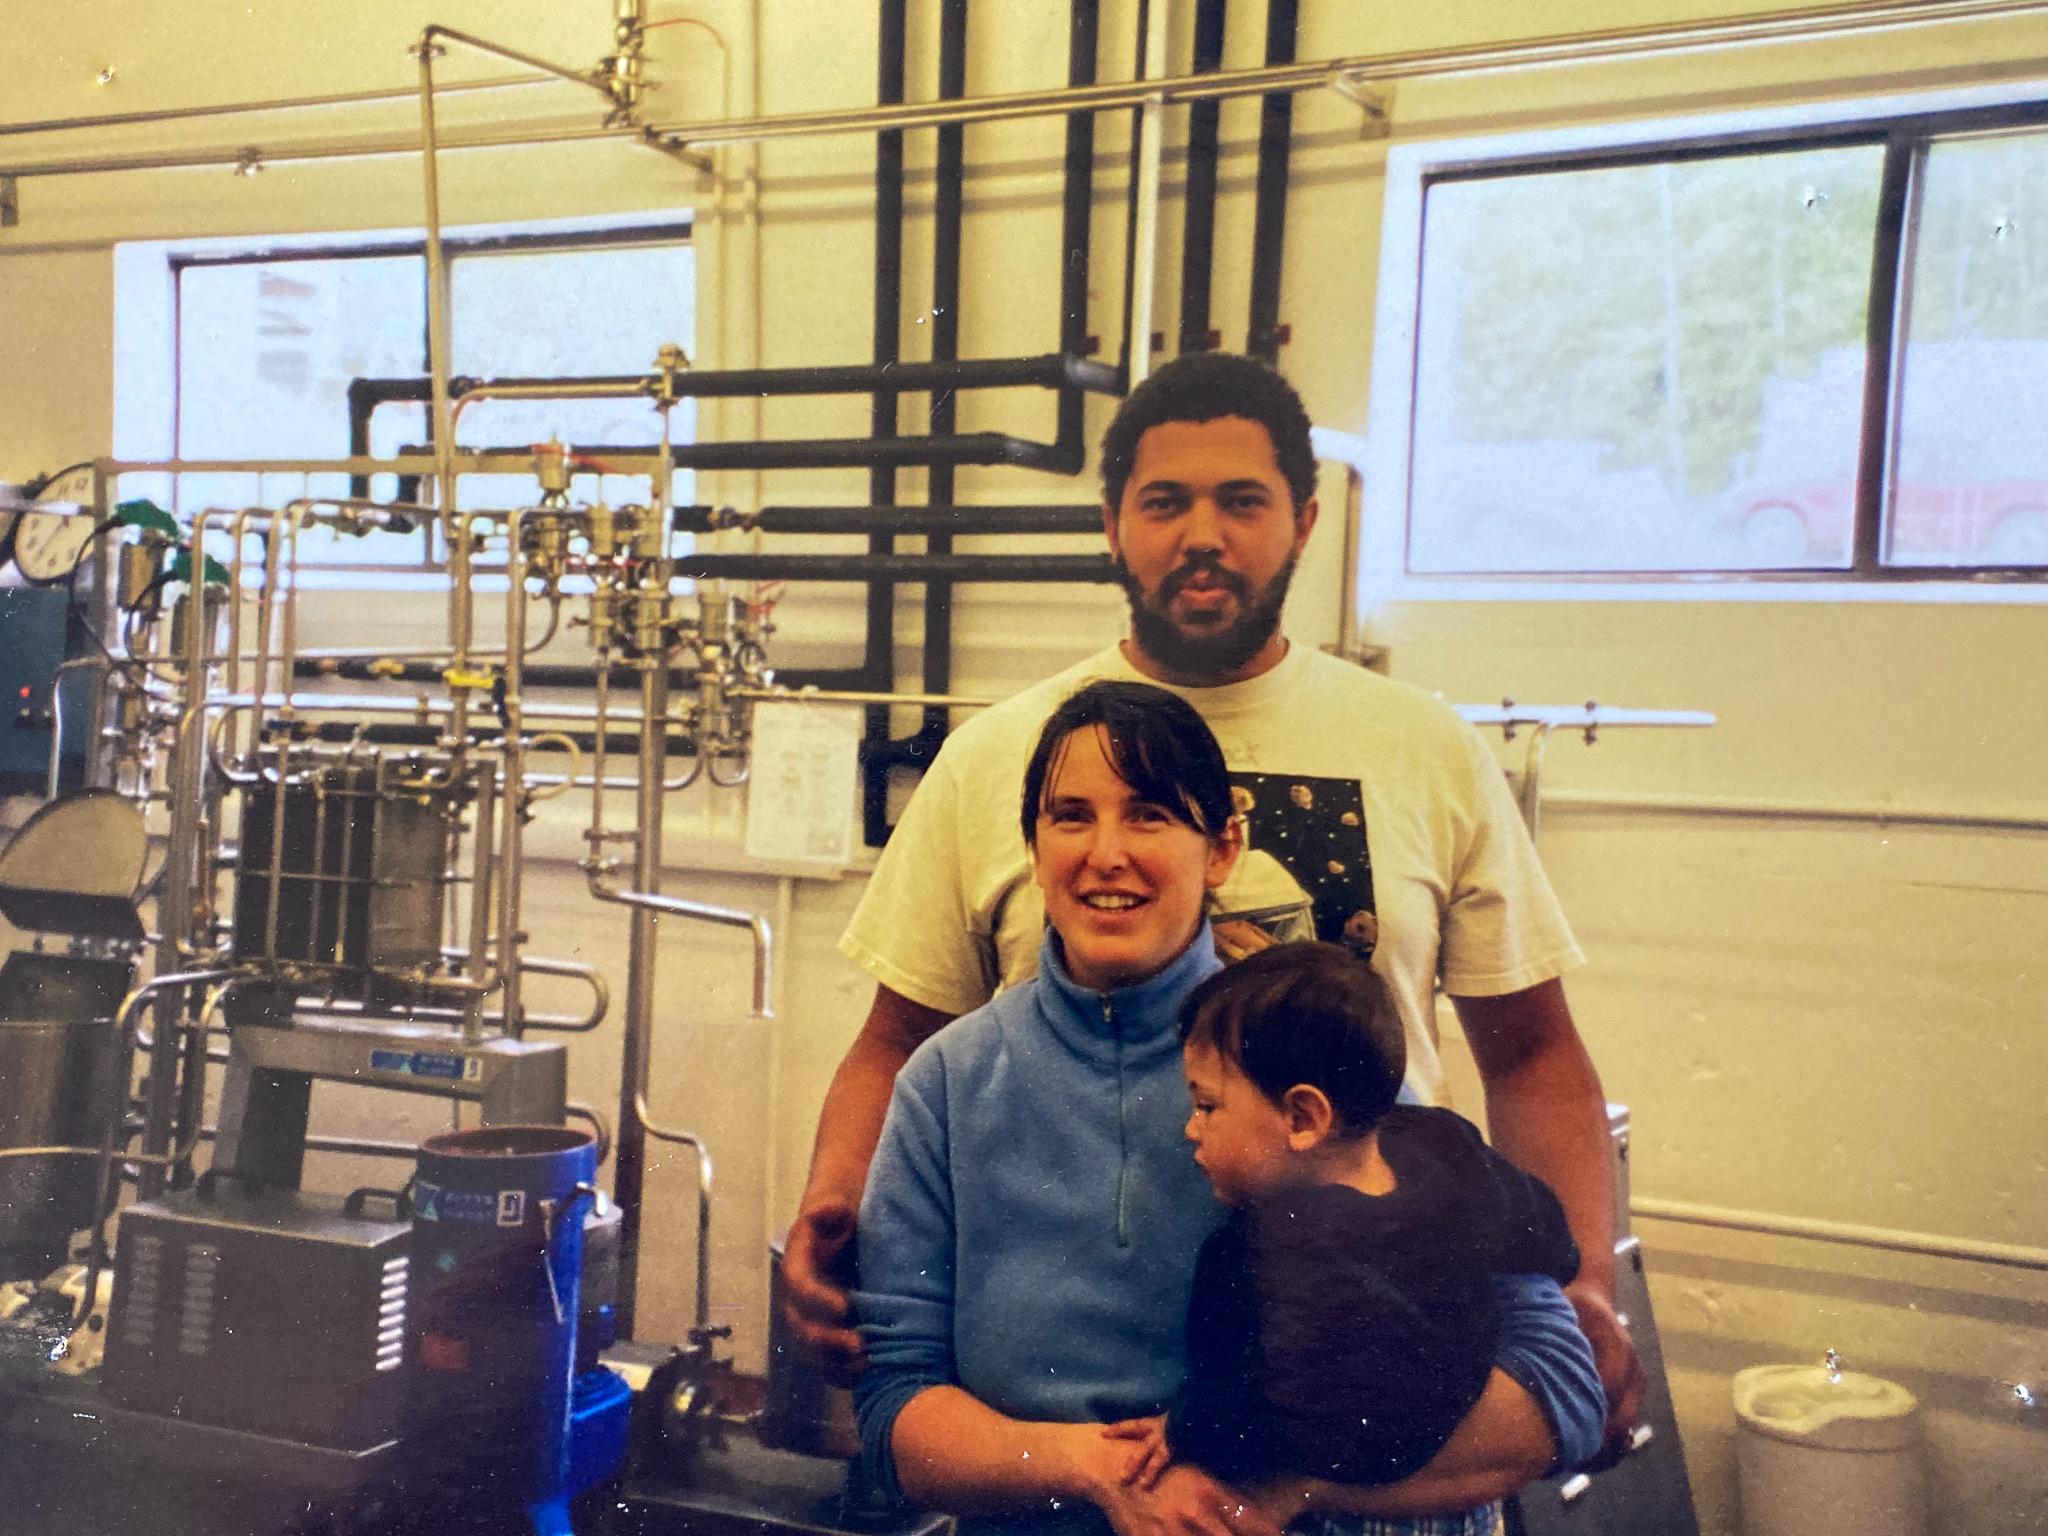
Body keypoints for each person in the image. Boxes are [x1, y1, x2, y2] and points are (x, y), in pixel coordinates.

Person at [789, 351, 1644, 1456]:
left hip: (1366, 1377)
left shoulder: (1425, 748)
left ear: (1302, 518)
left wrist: (1582, 1284)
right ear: (1110, 524)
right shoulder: (996, 754)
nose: (1202, 534)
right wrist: (831, 1204)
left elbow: (1532, 1056)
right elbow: (897, 1039)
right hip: (1073, 1417)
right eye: (1163, 502)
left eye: (1239, 500)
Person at [854, 682, 1603, 1536]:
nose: (1106, 853)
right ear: (1032, 846)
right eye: (1070, 816)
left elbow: (1556, 1390)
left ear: (1222, 849)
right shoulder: (946, 1086)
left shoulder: (1320, 1059)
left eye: (1149, 815)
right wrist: (1097, 1471)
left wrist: (1287, 1489)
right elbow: (895, 1411)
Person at [1105, 941, 1583, 1536]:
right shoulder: (1445, 1147)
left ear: (1304, 1119)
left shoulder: (1253, 1253)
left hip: (1336, 1505)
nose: (1190, 1128)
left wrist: (1180, 1429)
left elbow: (1240, 1405)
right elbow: (1548, 1234)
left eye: (1207, 1106)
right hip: (1453, 1505)